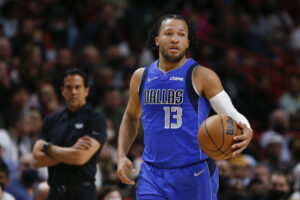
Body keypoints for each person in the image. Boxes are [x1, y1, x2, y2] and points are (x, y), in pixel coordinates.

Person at [117, 14, 253, 200]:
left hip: (194, 172)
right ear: (157, 40)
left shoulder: (202, 76)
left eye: (181, 34)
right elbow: (131, 116)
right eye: (168, 33)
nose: (175, 39)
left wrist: (248, 129)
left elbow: (231, 114)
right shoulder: (141, 77)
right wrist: (121, 155)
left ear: (188, 42)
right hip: (151, 174)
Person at [32, 68, 106, 200]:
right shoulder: (51, 119)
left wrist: (48, 148)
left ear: (86, 90)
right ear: (62, 91)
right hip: (54, 192)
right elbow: (37, 160)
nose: (73, 92)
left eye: (78, 87)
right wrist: (71, 151)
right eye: (69, 87)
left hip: (82, 193)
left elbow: (80, 157)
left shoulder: (96, 119)